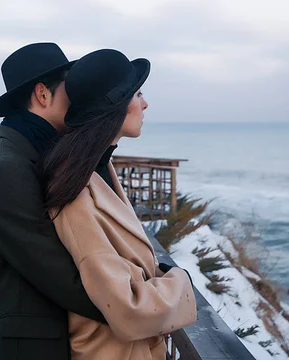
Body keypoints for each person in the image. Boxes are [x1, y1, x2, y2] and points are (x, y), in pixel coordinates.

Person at [43, 49, 197, 360]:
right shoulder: (76, 193)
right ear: (114, 108)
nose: (145, 103)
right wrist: (181, 281)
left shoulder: (98, 169)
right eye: (138, 93)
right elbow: (127, 307)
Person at [0, 43, 105, 360]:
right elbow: (64, 276)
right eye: (71, 86)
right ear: (42, 94)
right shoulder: (2, 171)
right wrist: (141, 309)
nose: (79, 95)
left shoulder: (35, 158)